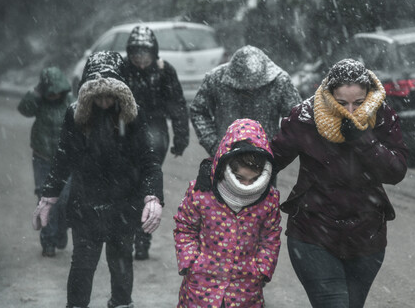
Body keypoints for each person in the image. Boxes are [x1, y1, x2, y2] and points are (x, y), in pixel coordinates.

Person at [270, 58, 408, 308]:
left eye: (359, 102)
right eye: (342, 103)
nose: (351, 112)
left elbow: (396, 171)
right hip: (312, 234)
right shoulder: (305, 116)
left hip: (366, 236)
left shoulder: (382, 114)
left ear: (369, 96)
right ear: (329, 95)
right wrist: (225, 167)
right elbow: (270, 160)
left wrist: (363, 140)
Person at [32, 51, 164, 308]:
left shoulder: (134, 116)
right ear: (87, 94)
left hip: (124, 206)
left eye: (109, 95)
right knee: (82, 266)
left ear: (120, 93)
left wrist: (153, 196)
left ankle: (121, 303)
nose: (103, 101)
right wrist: (48, 198)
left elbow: (149, 161)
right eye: (97, 95)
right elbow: (62, 158)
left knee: (122, 266)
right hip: (86, 206)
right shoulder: (75, 116)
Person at [173, 118, 281, 308]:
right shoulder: (201, 192)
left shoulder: (268, 199)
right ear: (226, 166)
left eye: (253, 179)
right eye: (239, 178)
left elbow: (270, 236)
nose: (245, 185)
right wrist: (190, 261)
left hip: (246, 288)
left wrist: (262, 269)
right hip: (201, 285)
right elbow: (185, 227)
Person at [123, 25, 189, 260]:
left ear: (153, 53)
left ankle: (142, 238)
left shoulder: (164, 72)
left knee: (147, 183)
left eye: (145, 54)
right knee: (128, 186)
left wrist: (181, 137)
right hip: (125, 134)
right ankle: (129, 234)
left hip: (155, 133)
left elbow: (178, 105)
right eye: (136, 54)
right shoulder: (123, 71)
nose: (141, 59)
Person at [190, 45, 301, 157]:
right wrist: (214, 146)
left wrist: (277, 151)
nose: (250, 90)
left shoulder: (280, 81)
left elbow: (296, 121)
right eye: (244, 88)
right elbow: (198, 111)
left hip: (265, 157)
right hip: (224, 155)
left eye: (255, 88)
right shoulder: (216, 79)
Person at [18, 66, 74, 257]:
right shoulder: (39, 102)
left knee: (65, 199)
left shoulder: (69, 102)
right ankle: (48, 241)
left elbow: (83, 122)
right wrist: (36, 93)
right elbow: (24, 109)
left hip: (66, 159)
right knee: (45, 198)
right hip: (42, 157)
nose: (53, 96)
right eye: (49, 92)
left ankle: (60, 231)